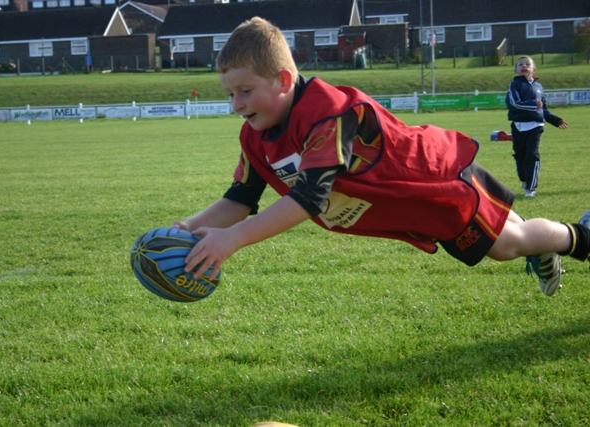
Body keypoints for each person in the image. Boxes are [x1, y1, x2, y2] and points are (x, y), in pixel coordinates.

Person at [175, 17, 589, 296]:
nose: (236, 104)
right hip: (407, 204)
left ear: (283, 80)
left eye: (245, 91)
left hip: (433, 179)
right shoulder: (255, 136)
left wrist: (231, 241)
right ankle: (547, 242)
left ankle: (580, 236)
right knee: (509, 230)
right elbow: (241, 198)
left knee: (507, 244)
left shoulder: (328, 112)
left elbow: (309, 198)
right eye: (230, 94)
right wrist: (184, 228)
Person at [505, 56, 568, 198]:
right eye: (520, 64)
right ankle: (524, 179)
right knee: (519, 156)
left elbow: (543, 109)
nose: (524, 66)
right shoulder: (514, 85)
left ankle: (531, 188)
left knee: (532, 156)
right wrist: (533, 104)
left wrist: (554, 120)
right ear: (516, 69)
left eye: (527, 64)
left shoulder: (539, 87)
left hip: (536, 126)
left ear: (534, 68)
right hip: (518, 126)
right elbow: (515, 103)